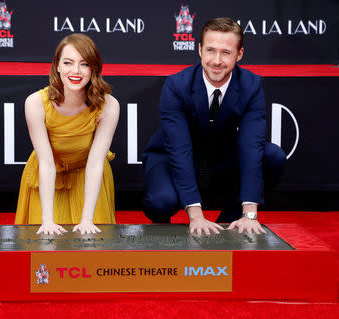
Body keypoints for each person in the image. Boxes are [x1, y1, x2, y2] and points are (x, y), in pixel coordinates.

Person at [142, 17, 286, 235]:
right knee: (162, 200)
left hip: (219, 160)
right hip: (171, 158)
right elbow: (179, 151)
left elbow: (251, 146)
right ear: (199, 50)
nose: (216, 60)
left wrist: (249, 214)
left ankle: (229, 224)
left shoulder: (251, 85)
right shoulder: (177, 85)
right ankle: (163, 229)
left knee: (272, 155)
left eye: (226, 52)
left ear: (239, 55)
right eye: (210, 50)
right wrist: (197, 217)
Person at [15, 34, 119, 235]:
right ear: (58, 66)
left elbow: (96, 163)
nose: (75, 71)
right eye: (68, 63)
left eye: (84, 64)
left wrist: (87, 219)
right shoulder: (35, 103)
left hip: (88, 176)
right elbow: (46, 162)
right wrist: (47, 220)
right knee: (44, 244)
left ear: (94, 69)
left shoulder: (109, 106)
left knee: (93, 244)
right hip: (48, 178)